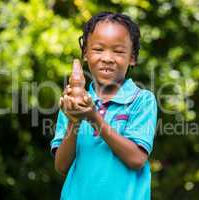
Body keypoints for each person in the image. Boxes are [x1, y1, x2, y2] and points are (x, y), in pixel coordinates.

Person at [50, 11, 157, 200]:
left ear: (132, 57)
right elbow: (61, 166)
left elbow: (136, 159)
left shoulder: (142, 100)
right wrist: (74, 121)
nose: (107, 58)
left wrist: (93, 118)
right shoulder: (72, 102)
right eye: (98, 49)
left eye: (118, 51)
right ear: (85, 54)